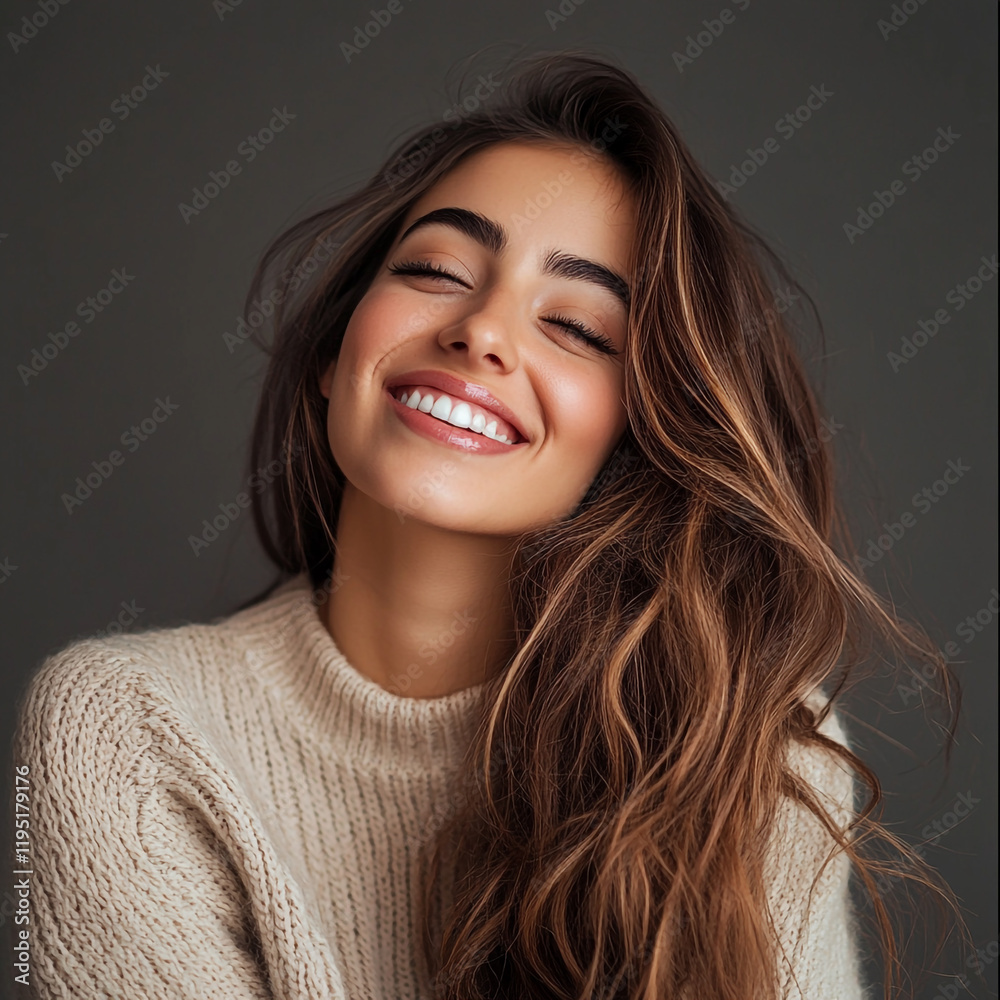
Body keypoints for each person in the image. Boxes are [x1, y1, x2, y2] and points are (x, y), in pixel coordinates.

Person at [13, 49, 960, 1000]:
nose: (483, 332)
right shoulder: (121, 734)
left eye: (580, 328)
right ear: (335, 355)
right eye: (436, 269)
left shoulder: (747, 747)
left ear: (637, 439)